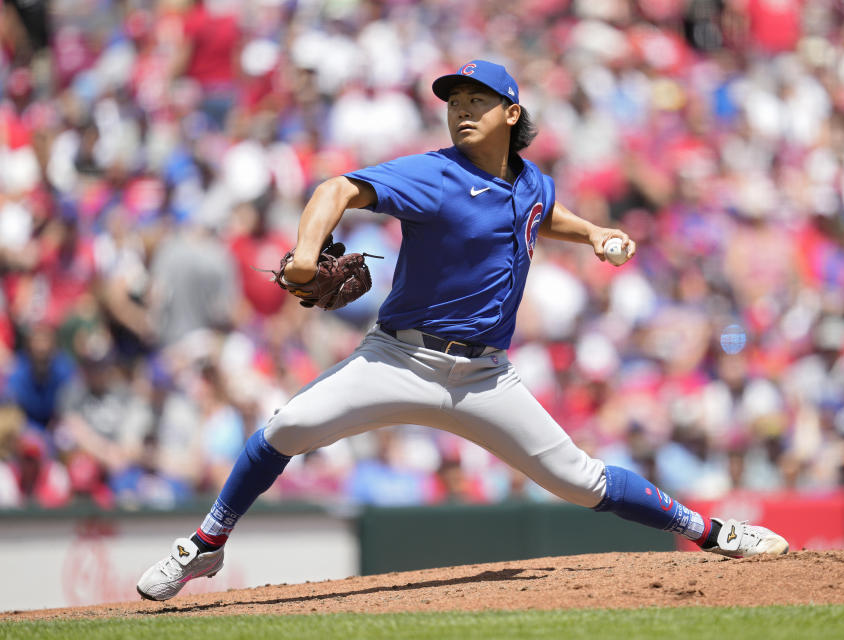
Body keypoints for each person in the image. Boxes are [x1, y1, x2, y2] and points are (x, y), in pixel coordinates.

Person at [136, 60, 788, 601]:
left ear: (512, 113)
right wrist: (306, 253)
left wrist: (594, 233)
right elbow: (336, 189)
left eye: (478, 100)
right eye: (454, 102)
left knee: (582, 482)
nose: (462, 110)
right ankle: (206, 545)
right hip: (399, 360)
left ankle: (714, 533)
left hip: (484, 378)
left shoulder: (531, 182)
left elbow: (543, 214)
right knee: (284, 430)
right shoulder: (434, 175)